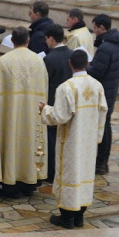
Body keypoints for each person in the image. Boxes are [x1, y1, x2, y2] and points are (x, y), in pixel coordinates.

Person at [39, 50, 107, 229]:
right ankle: (79, 217)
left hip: (71, 141)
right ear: (87, 64)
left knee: (70, 174)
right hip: (88, 142)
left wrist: (45, 109)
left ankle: (67, 218)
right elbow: (103, 112)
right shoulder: (97, 86)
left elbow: (59, 116)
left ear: (70, 63)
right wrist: (97, 136)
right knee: (84, 173)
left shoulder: (66, 87)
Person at [0, 26, 48, 199]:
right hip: (32, 114)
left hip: (10, 114)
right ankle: (29, 183)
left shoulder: (3, 61)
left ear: (12, 41)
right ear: (28, 40)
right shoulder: (38, 61)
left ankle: (10, 185)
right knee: (29, 144)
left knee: (11, 144)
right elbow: (45, 87)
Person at [87, 14, 119, 175]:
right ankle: (103, 161)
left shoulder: (105, 48)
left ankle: (101, 162)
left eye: (95, 27)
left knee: (103, 127)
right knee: (106, 124)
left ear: (102, 28)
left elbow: (96, 72)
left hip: (104, 90)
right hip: (110, 89)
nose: (94, 31)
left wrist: (86, 66)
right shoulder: (118, 44)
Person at [42, 24, 72, 183]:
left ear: (52, 39)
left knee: (52, 139)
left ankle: (51, 173)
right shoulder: (72, 54)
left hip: (53, 102)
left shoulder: (49, 59)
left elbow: (45, 83)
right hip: (70, 103)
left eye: (47, 39)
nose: (46, 42)